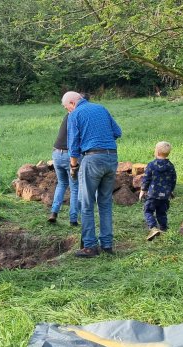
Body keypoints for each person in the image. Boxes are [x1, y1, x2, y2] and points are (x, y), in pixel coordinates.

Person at [62, 91, 122, 258]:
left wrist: (73, 167)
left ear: (72, 103)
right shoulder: (101, 108)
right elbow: (117, 132)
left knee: (86, 203)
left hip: (92, 159)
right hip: (111, 158)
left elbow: (73, 146)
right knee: (105, 203)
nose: (68, 111)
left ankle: (89, 246)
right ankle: (107, 245)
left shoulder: (75, 115)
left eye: (67, 108)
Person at [139, 141, 177, 241]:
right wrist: (171, 191)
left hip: (152, 194)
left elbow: (146, 178)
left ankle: (153, 228)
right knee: (162, 212)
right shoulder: (170, 166)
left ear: (157, 152)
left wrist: (143, 190)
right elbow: (173, 180)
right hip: (164, 195)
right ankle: (164, 228)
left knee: (148, 211)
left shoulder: (151, 165)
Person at [48, 112, 80, 226]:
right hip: (69, 155)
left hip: (56, 153)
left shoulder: (68, 115)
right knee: (75, 187)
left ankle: (54, 212)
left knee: (61, 184)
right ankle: (73, 219)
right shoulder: (79, 116)